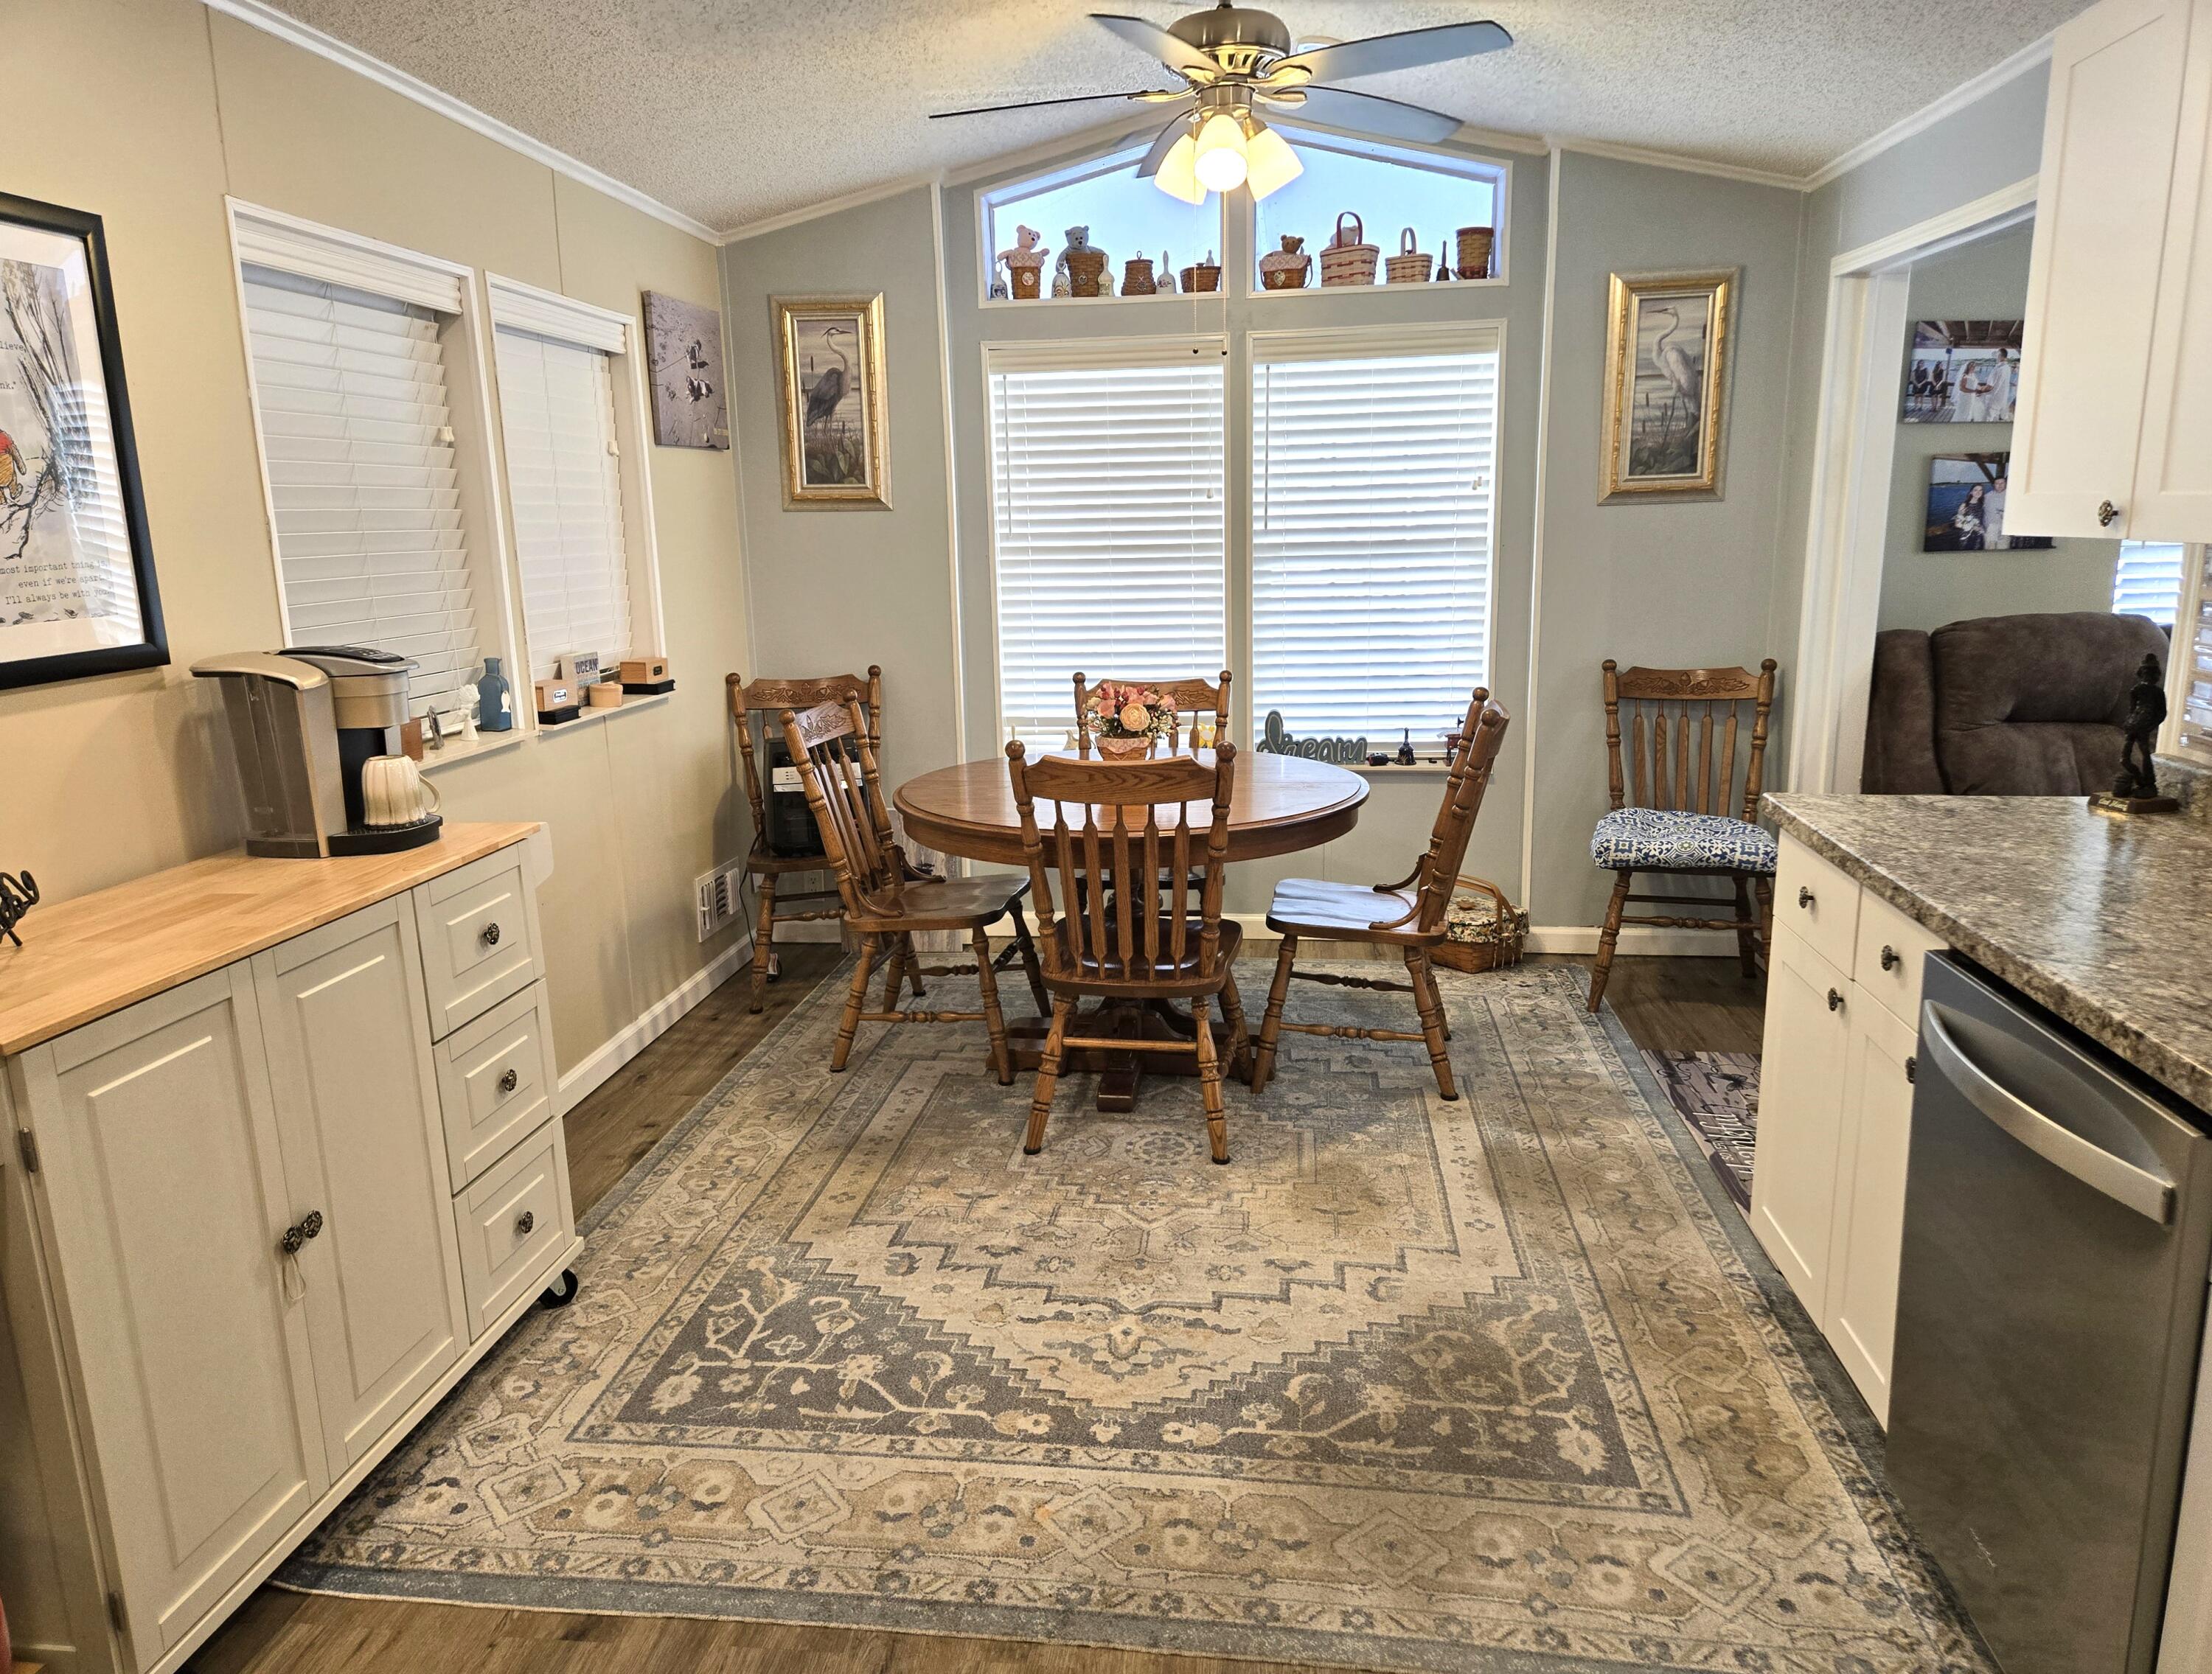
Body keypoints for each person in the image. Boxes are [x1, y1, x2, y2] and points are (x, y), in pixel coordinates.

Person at [1950, 481, 1989, 549]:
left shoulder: (1982, 504)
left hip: (1979, 535)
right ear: (1971, 492)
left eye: (1980, 490)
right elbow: (1957, 524)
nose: (1978, 492)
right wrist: (1973, 527)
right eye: (1975, 490)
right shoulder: (1964, 505)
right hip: (1967, 537)